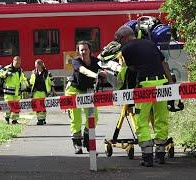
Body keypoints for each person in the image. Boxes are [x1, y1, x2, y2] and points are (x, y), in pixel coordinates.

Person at [115, 26, 173, 167]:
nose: (119, 43)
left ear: (124, 38)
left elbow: (131, 69)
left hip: (145, 85)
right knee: (161, 118)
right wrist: (170, 81)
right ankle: (160, 154)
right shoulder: (150, 43)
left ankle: (147, 157)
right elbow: (163, 62)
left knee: (142, 120)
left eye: (118, 40)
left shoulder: (126, 49)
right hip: (162, 83)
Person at [65, 40, 105, 154]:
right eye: (81, 50)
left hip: (88, 91)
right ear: (78, 51)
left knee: (94, 117)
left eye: (85, 49)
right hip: (73, 91)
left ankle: (87, 140)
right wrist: (96, 75)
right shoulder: (75, 61)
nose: (83, 52)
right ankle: (77, 144)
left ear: (90, 50)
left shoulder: (96, 61)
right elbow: (83, 71)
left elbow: (104, 68)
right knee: (76, 119)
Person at [0, 56, 29, 124]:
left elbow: (23, 79)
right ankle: (7, 118)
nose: (18, 65)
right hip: (8, 92)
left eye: (19, 63)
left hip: (17, 92)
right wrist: (6, 74)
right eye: (17, 63)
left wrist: (27, 86)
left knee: (17, 107)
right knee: (9, 106)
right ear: (13, 61)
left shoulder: (20, 70)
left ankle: (15, 120)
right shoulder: (7, 68)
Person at [29, 59, 56, 125]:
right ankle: (39, 120)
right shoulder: (33, 72)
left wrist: (53, 90)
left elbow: (52, 82)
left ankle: (43, 118)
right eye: (35, 65)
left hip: (44, 92)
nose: (35, 66)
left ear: (40, 65)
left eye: (36, 65)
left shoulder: (48, 73)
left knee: (43, 106)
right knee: (38, 106)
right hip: (36, 92)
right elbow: (31, 82)